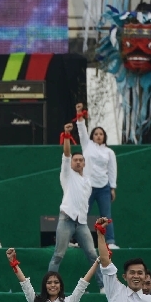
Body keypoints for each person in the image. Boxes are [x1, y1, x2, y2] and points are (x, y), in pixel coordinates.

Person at [48, 122, 104, 292]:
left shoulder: (87, 181)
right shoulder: (67, 174)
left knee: (93, 255)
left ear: (84, 163)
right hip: (66, 219)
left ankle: (102, 287)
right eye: (75, 160)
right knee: (58, 255)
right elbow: (66, 154)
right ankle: (48, 287)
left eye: (81, 160)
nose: (78, 162)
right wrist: (66, 135)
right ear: (71, 163)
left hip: (81, 223)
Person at [75, 104, 118, 249]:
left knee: (106, 215)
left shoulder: (109, 152)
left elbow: (112, 170)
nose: (98, 136)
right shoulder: (87, 146)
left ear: (104, 136)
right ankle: (77, 240)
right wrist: (79, 113)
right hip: (88, 186)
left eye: (101, 134)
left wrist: (112, 187)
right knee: (83, 213)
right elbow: (81, 130)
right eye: (96, 134)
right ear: (92, 136)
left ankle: (110, 242)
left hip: (104, 187)